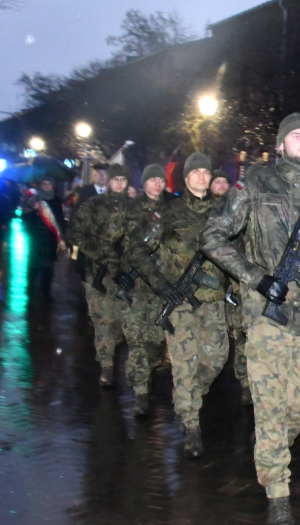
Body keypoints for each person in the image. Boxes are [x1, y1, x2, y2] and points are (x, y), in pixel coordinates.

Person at [202, 113, 300, 525]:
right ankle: (278, 492)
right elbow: (213, 236)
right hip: (267, 316)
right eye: (297, 136)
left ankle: (269, 451)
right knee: (270, 404)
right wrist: (255, 277)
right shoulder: (255, 183)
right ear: (281, 144)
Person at [125, 153, 229, 457]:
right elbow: (138, 250)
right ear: (185, 179)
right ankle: (191, 425)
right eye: (194, 172)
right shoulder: (169, 214)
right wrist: (161, 284)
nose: (200, 177)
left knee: (216, 358)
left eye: (205, 172)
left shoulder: (223, 212)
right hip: (180, 302)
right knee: (184, 364)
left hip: (213, 301)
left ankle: (188, 399)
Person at [113, 164, 171, 417]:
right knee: (136, 340)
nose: (157, 184)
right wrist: (118, 274)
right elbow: (112, 243)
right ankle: (140, 392)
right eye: (152, 180)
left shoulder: (172, 210)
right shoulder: (128, 210)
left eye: (161, 179)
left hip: (161, 287)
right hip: (136, 287)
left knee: (156, 343)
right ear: (143, 183)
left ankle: (146, 373)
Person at [67, 164, 131, 387]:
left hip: (125, 275)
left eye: (124, 180)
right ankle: (106, 366)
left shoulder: (134, 208)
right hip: (98, 274)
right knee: (103, 321)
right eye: (116, 180)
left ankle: (112, 354)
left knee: (120, 322)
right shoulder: (93, 205)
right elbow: (74, 232)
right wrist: (95, 253)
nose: (120, 184)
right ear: (109, 182)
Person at [210, 168, 250, 405]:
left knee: (243, 334)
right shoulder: (207, 212)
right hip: (214, 285)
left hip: (239, 283)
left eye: (225, 182)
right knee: (217, 340)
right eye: (217, 182)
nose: (222, 186)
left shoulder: (240, 210)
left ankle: (245, 383)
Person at [21, 177, 65, 303]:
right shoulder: (34, 198)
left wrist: (62, 236)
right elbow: (24, 216)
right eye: (44, 184)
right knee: (33, 266)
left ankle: (46, 291)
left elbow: (60, 219)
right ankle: (30, 290)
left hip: (50, 239)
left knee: (48, 267)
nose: (46, 186)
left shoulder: (56, 200)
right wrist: (33, 210)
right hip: (36, 238)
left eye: (49, 184)